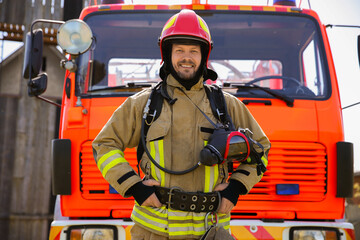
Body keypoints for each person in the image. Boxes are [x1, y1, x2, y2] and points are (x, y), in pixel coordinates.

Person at [92, 9, 271, 240]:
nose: (186, 57)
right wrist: (134, 187)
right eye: (179, 50)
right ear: (167, 55)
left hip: (210, 231)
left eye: (193, 51)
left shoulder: (227, 105)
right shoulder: (143, 104)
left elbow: (261, 150)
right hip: (153, 232)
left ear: (203, 56)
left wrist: (235, 189)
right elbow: (104, 145)